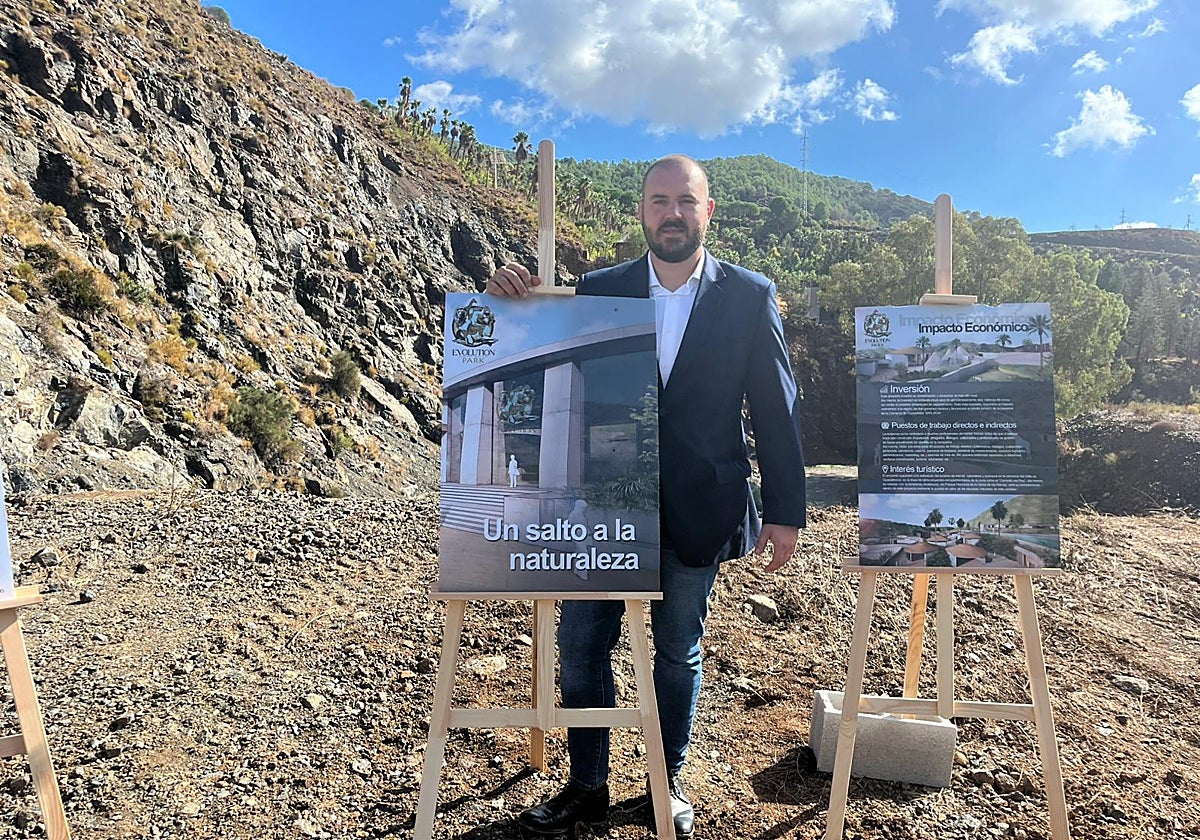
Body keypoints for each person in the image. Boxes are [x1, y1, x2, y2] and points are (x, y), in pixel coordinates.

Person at [487, 154, 806, 838]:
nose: (672, 213)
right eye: (659, 200)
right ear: (642, 210)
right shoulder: (598, 289)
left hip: (702, 507)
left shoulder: (750, 296)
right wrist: (509, 302)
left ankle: (668, 784)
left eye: (685, 202)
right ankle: (587, 786)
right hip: (604, 505)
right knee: (579, 647)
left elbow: (777, 410)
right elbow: (537, 366)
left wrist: (785, 511)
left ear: (707, 211)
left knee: (676, 653)